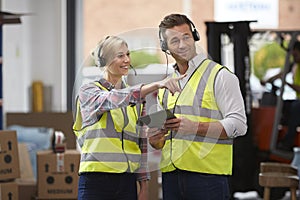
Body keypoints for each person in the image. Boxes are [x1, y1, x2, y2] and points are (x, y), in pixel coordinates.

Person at [72, 35, 185, 200]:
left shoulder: (137, 100)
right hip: (96, 180)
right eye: (120, 56)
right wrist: (155, 85)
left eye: (127, 54)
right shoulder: (88, 92)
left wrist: (144, 185)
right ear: (105, 61)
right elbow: (113, 99)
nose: (126, 60)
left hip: (127, 182)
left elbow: (141, 145)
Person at [148, 14, 248, 199]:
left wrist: (196, 127)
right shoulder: (165, 86)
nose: (183, 44)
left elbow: (239, 125)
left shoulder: (220, 76)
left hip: (208, 177)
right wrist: (155, 138)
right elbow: (161, 142)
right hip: (171, 176)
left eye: (186, 36)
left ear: (194, 37)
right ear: (166, 47)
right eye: (175, 40)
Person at [277, 41, 300, 151]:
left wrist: (286, 84)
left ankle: (288, 141)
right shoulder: (296, 65)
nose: (293, 57)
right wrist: (268, 80)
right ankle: (279, 135)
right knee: (284, 104)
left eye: (295, 55)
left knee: (295, 107)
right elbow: (283, 73)